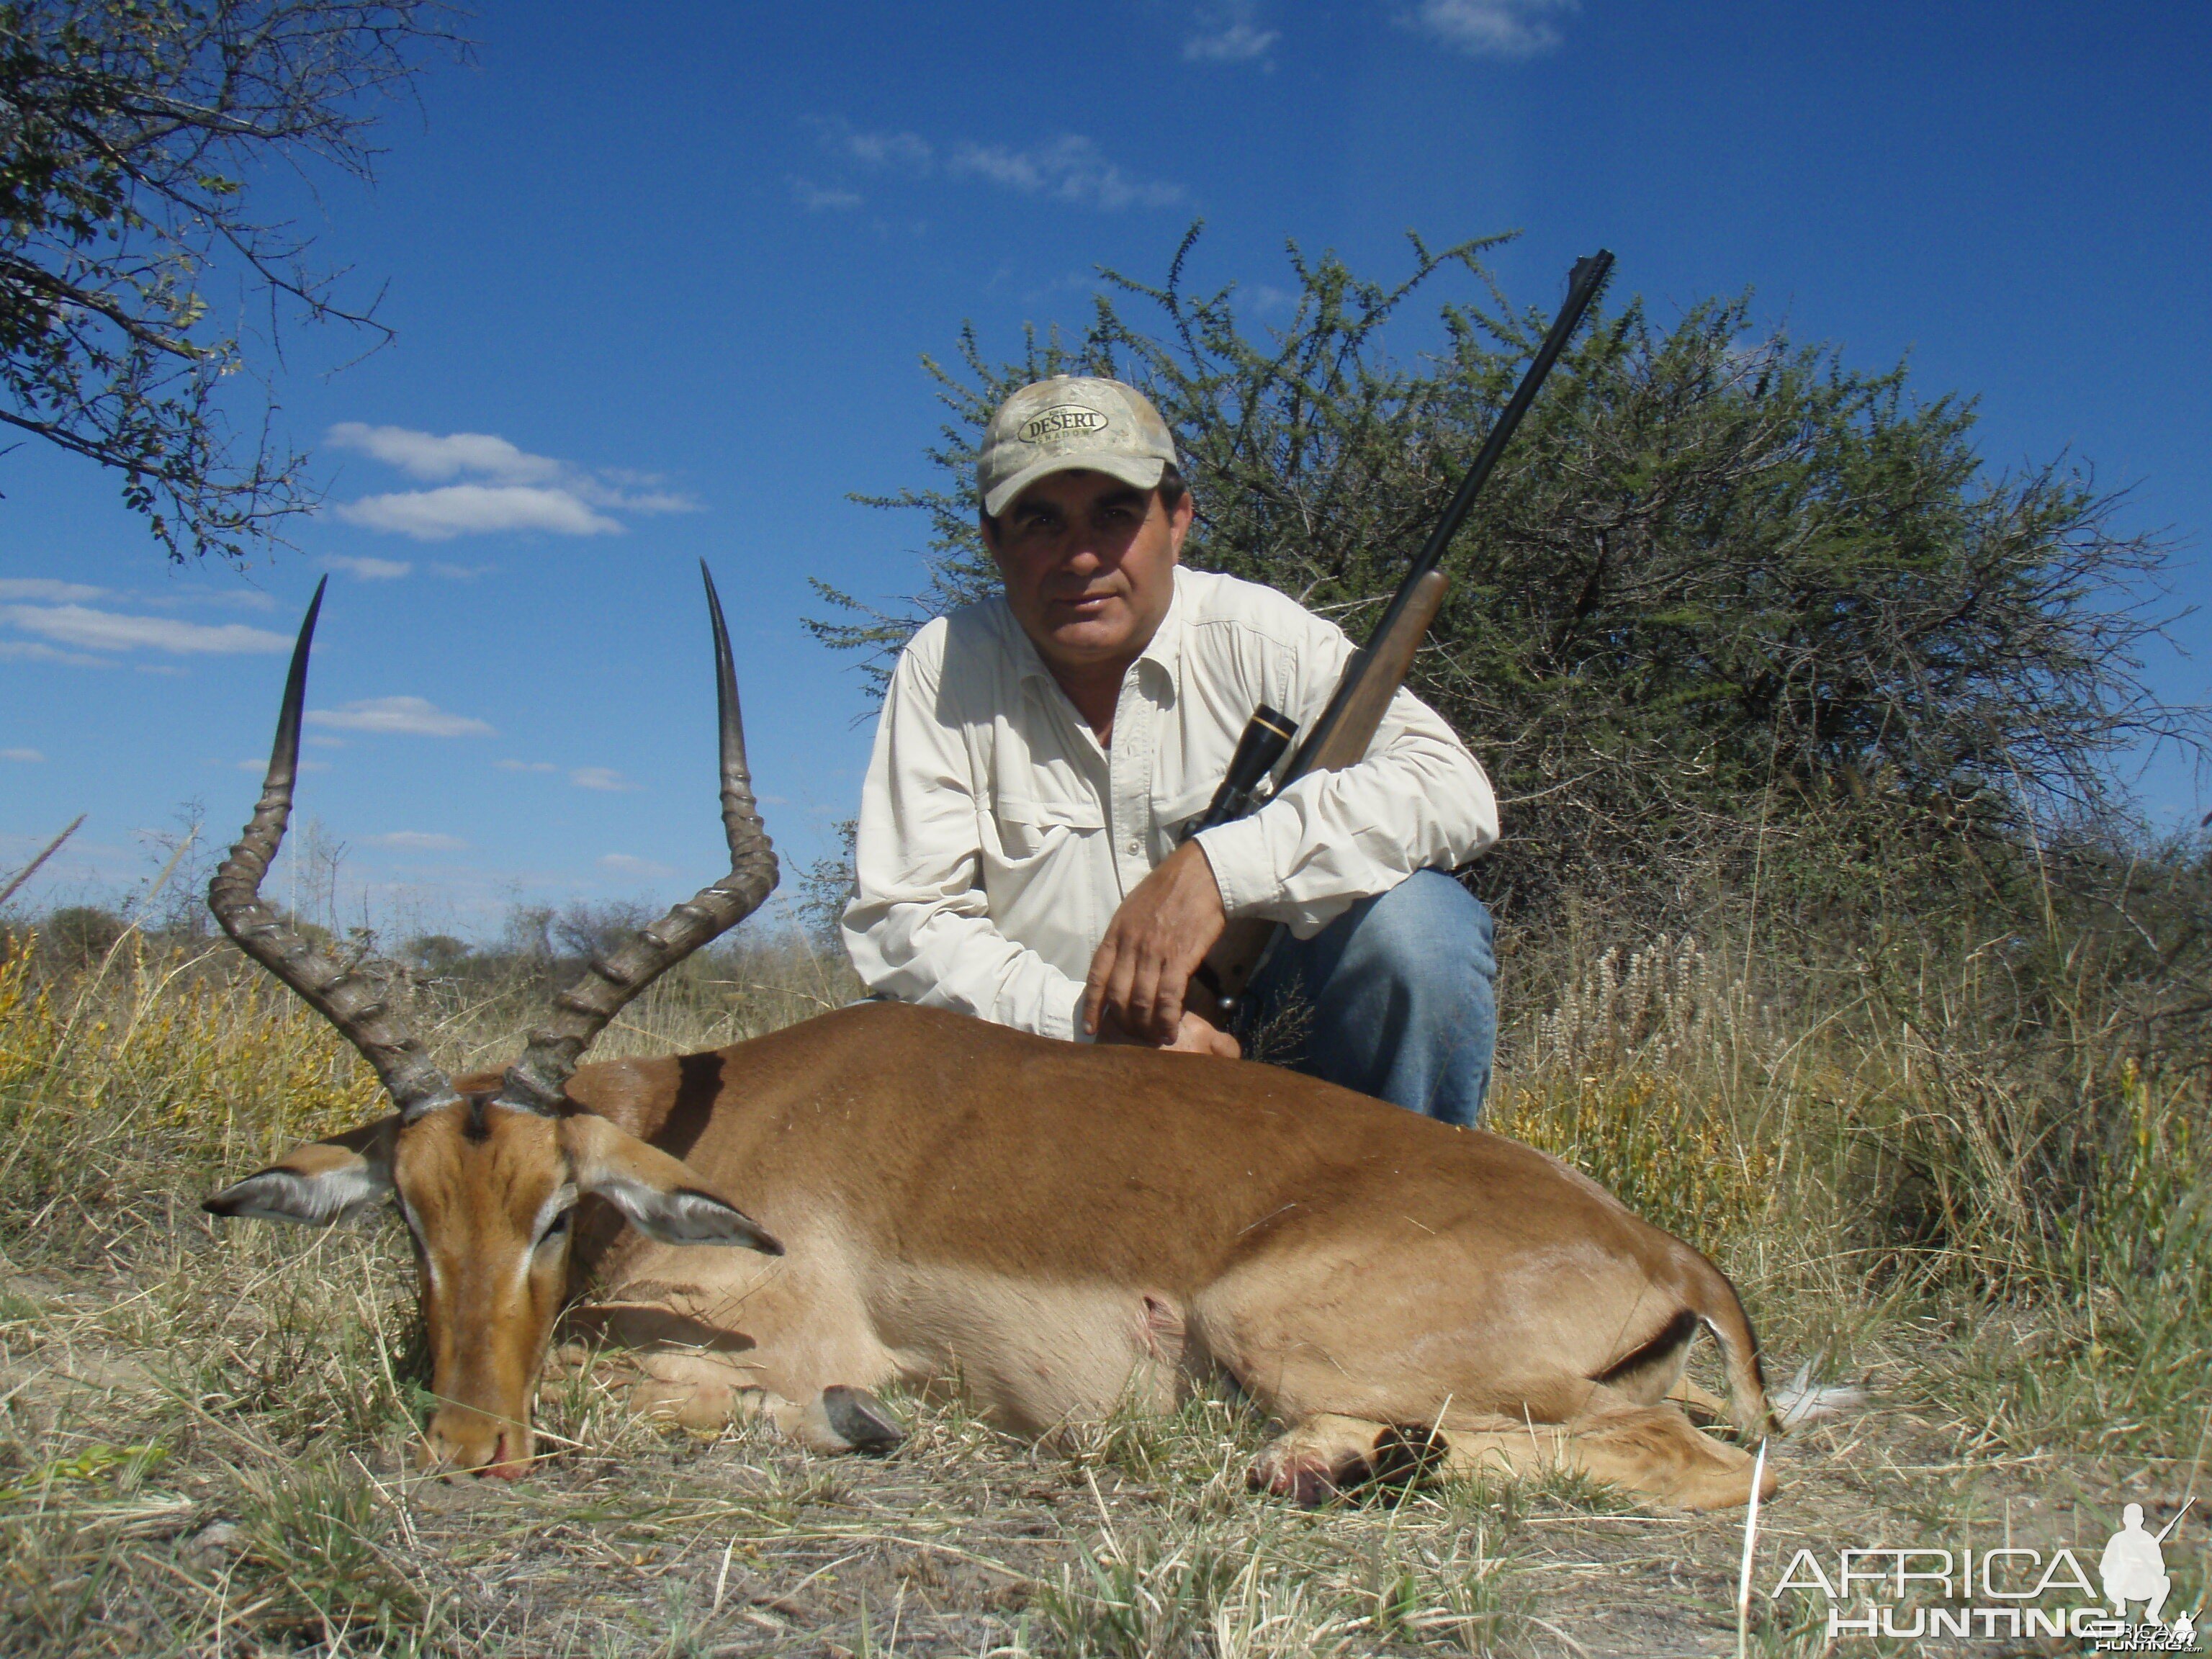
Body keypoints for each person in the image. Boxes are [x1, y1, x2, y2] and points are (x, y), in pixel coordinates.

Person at [840, 376, 1501, 1123]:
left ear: (1178, 519)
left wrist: (1223, 870)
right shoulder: (947, 663)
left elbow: (1453, 788)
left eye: (1116, 515)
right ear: (993, 540)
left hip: (1273, 1061)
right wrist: (1092, 1025)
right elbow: (905, 923)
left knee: (1419, 933)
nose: (1081, 557)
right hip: (1048, 1070)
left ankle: (1413, 1214)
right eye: (1040, 521)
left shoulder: (1256, 633)